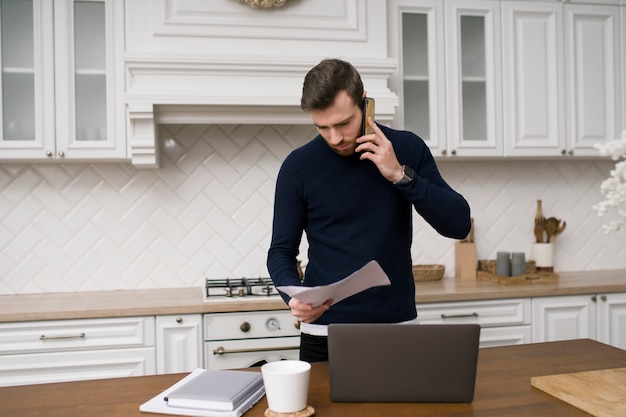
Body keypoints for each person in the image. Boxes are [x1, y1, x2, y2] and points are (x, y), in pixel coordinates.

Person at [267, 58, 471, 362]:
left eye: (343, 123)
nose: (335, 138)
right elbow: (280, 251)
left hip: (397, 328)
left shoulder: (407, 149)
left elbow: (459, 224)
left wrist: (400, 175)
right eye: (322, 127)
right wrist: (293, 296)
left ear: (364, 101)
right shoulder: (298, 167)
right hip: (323, 334)